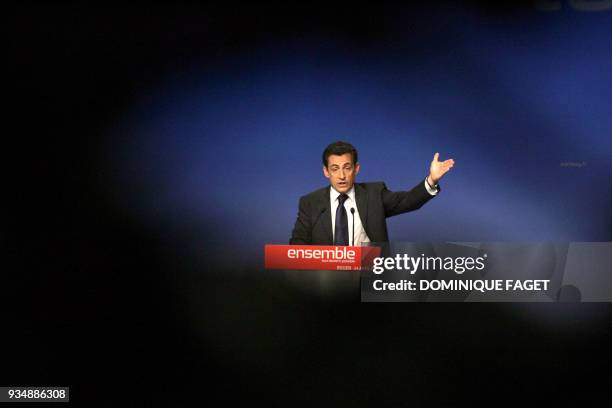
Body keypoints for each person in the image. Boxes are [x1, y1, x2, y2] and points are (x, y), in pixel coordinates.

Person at [289, 141, 454, 245]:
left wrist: (432, 179)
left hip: (368, 279)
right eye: (335, 169)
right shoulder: (310, 202)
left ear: (356, 169)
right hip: (324, 283)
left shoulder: (374, 194)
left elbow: (408, 200)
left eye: (347, 168)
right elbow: (297, 245)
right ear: (326, 171)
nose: (341, 175)